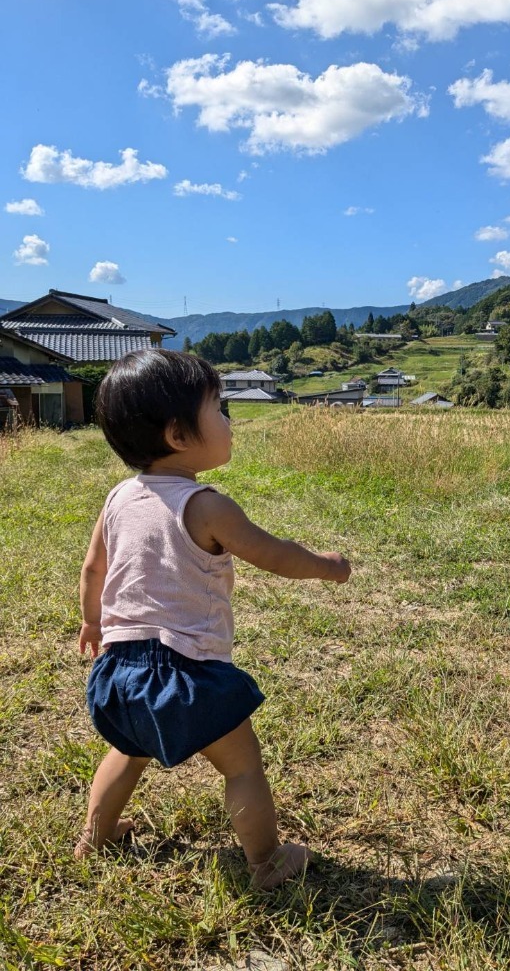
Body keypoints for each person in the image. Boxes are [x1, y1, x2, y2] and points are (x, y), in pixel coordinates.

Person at [75, 349, 351, 889]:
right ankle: (267, 862)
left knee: (127, 752)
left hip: (121, 668)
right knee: (243, 766)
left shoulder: (118, 498)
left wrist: (92, 623)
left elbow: (93, 569)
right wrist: (326, 566)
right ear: (179, 435)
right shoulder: (205, 505)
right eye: (219, 408)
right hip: (188, 674)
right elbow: (275, 555)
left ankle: (95, 837)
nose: (228, 420)